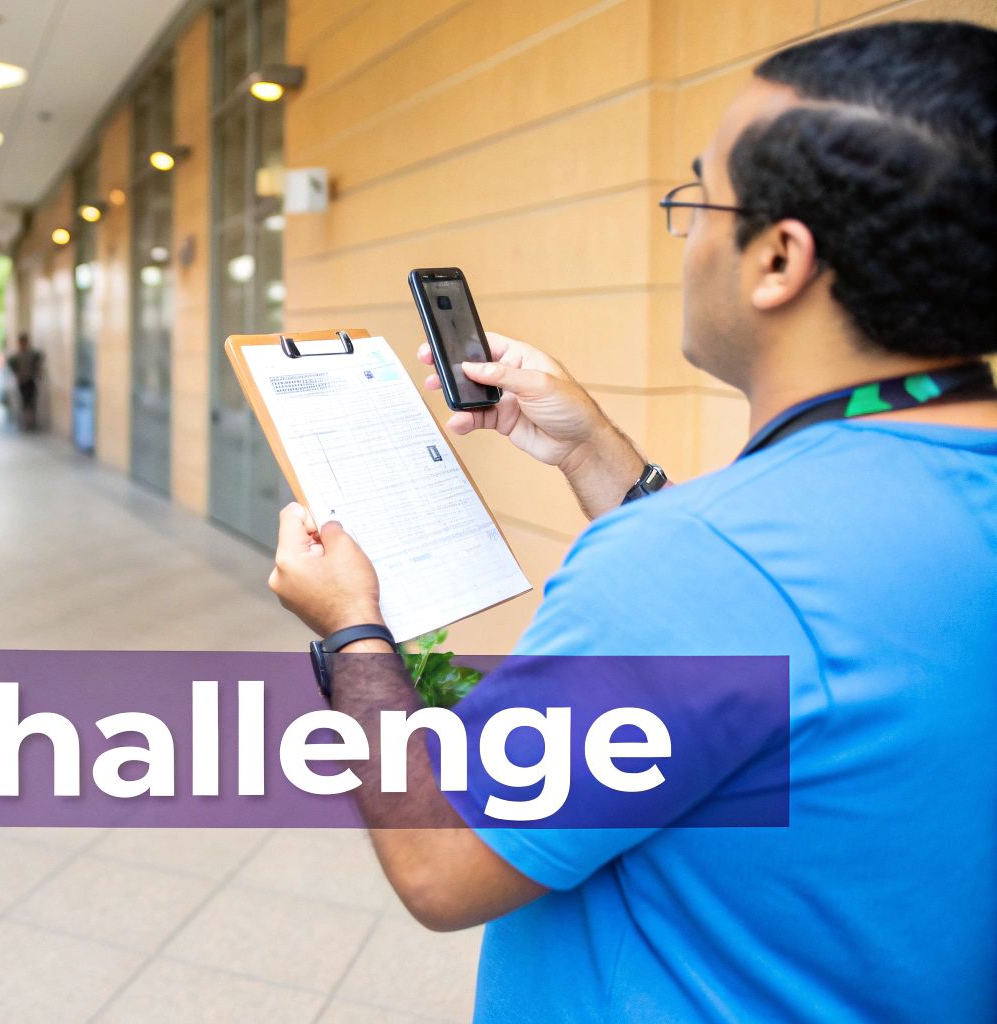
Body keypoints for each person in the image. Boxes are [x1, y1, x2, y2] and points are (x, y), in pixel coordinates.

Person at [265, 21, 995, 1022]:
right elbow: (773, 635)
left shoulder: (698, 568)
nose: (686, 232)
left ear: (777, 257)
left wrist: (352, 635)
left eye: (698, 197)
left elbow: (444, 862)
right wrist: (590, 452)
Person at [7, 332, 44, 432]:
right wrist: (17, 374)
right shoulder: (16, 356)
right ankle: (25, 422)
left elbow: (38, 360)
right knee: (24, 401)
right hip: (22, 380)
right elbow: (11, 364)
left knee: (31, 401)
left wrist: (37, 372)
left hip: (30, 380)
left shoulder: (32, 354)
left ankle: (31, 422)